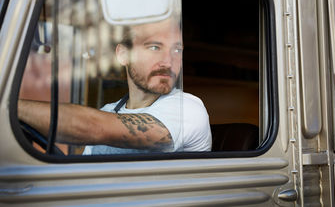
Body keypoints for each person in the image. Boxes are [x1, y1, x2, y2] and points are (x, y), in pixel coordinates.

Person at [18, 18, 212, 154]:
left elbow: (92, 127)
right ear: (123, 55)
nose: (168, 62)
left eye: (177, 50)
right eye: (154, 47)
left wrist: (10, 107)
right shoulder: (109, 111)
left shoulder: (187, 108)